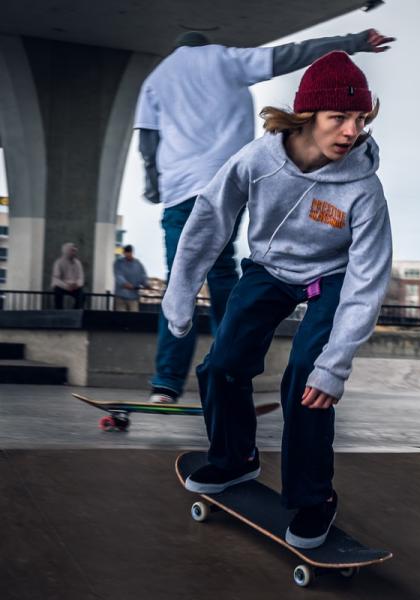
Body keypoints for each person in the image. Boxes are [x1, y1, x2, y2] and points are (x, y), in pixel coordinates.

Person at [163, 51, 392, 549]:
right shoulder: (257, 161)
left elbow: (368, 279)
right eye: (339, 118)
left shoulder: (365, 190)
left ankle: (314, 500)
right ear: (307, 116)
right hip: (269, 269)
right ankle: (234, 457)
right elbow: (209, 219)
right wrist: (180, 291)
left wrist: (334, 366)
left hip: (334, 277)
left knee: (308, 379)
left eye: (360, 118)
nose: (351, 131)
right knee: (222, 364)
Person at [135, 28, 394, 404]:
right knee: (223, 273)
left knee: (182, 275)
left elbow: (147, 138)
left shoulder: (155, 79)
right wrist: (354, 43)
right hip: (232, 173)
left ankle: (168, 381)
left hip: (181, 186)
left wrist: (153, 183)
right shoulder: (225, 59)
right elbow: (293, 54)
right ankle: (235, 355)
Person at [113, 245, 149, 312]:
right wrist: (125, 284)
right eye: (126, 253)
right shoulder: (118, 263)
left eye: (129, 252)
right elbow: (118, 275)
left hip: (133, 297)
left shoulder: (138, 264)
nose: (128, 254)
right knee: (120, 318)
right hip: (121, 296)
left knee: (133, 317)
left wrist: (146, 284)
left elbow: (143, 276)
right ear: (124, 253)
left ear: (132, 252)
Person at [51, 242, 85, 309]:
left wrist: (77, 284)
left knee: (82, 296)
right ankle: (59, 313)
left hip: (75, 286)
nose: (74, 253)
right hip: (62, 286)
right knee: (57, 292)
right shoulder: (58, 262)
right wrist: (66, 286)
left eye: (75, 251)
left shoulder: (78, 263)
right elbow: (56, 279)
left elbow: (81, 277)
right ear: (66, 251)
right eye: (72, 251)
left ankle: (75, 312)